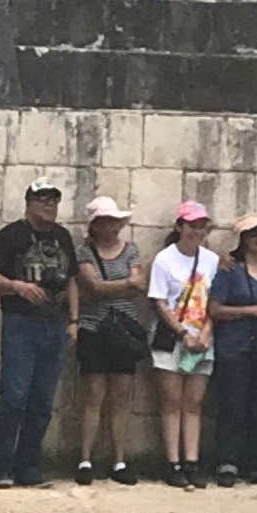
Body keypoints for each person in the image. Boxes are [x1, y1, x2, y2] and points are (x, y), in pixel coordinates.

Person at [0, 178, 80, 485]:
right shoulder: (10, 236)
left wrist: (74, 321)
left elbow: (73, 280)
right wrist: (17, 286)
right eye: (42, 199)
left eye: (53, 199)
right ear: (28, 202)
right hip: (21, 324)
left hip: (55, 324)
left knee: (42, 401)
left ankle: (28, 466)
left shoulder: (63, 237)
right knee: (14, 396)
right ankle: (0, 466)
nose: (48, 205)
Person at [206, 212, 257, 486]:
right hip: (235, 346)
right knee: (232, 405)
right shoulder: (230, 270)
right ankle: (227, 461)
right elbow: (215, 309)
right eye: (254, 234)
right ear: (243, 240)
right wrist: (252, 311)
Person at [68, 196, 147, 483]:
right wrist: (125, 285)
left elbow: (138, 285)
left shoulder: (131, 250)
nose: (112, 227)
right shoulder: (84, 252)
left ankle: (119, 461)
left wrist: (115, 288)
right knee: (93, 395)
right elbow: (93, 286)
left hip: (122, 329)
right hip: (94, 328)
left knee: (121, 397)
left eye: (115, 221)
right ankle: (85, 459)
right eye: (106, 221)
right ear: (96, 225)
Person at [147, 200, 216, 489]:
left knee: (194, 403)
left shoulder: (211, 260)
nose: (196, 231)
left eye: (201, 226)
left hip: (202, 337)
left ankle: (192, 460)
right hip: (172, 337)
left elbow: (215, 302)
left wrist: (204, 334)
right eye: (191, 226)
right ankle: (172, 462)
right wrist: (182, 334)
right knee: (172, 402)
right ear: (180, 227)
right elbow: (159, 302)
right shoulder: (164, 260)